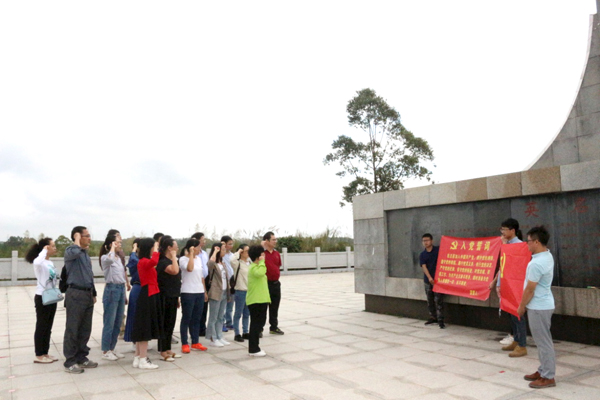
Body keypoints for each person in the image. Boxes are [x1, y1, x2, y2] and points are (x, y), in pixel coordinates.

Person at [518, 226, 556, 389]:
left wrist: (521, 306)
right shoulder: (547, 255)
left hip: (539, 307)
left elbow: (530, 289)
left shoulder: (537, 263)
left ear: (537, 242)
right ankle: (543, 370)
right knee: (542, 342)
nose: (526, 244)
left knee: (543, 343)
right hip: (543, 305)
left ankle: (548, 376)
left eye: (528, 241)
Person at [63, 226, 98, 374]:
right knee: (73, 328)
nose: (89, 238)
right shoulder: (71, 251)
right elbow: (75, 252)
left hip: (87, 294)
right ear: (77, 236)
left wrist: (93, 293)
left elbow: (89, 274)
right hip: (75, 293)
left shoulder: (85, 254)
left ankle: (81, 357)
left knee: (85, 328)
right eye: (86, 235)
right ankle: (70, 361)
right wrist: (76, 239)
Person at [491, 218, 527, 357]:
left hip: (516, 286)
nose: (502, 232)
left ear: (513, 230)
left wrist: (505, 247)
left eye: (504, 229)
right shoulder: (506, 244)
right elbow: (503, 266)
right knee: (511, 314)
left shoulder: (520, 246)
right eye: (502, 229)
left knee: (518, 315)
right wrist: (498, 284)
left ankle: (522, 345)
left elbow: (516, 268)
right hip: (506, 284)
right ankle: (516, 340)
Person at [26, 237, 59, 363]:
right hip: (42, 296)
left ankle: (45, 352)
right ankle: (39, 354)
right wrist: (44, 251)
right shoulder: (39, 261)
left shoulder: (49, 262)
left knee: (48, 326)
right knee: (42, 325)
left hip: (52, 295)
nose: (55, 248)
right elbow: (37, 263)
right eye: (52, 246)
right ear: (46, 247)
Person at [131, 238, 160, 369]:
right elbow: (154, 261)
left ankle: (138, 357)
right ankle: (143, 359)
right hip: (147, 293)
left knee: (142, 326)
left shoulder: (144, 261)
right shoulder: (144, 261)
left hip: (150, 293)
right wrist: (156, 249)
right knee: (144, 327)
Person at [99, 234, 127, 361]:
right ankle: (105, 350)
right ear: (111, 244)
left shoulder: (118, 258)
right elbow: (109, 260)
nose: (119, 244)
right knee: (109, 322)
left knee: (117, 321)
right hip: (112, 289)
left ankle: (112, 347)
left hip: (120, 288)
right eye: (117, 243)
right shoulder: (106, 257)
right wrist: (111, 249)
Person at [179, 239, 208, 353]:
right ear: (192, 247)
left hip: (199, 291)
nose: (199, 249)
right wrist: (191, 254)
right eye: (198, 247)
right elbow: (190, 269)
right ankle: (184, 343)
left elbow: (201, 277)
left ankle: (195, 341)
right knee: (187, 318)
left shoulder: (199, 259)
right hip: (188, 292)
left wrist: (204, 291)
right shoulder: (183, 259)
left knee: (197, 318)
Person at [156, 236, 182, 361]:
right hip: (164, 296)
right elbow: (174, 271)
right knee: (164, 323)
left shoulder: (171, 261)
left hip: (173, 295)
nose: (177, 248)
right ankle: (162, 350)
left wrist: (177, 297)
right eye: (175, 246)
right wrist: (174, 257)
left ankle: (168, 348)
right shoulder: (163, 262)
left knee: (171, 323)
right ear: (169, 248)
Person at [246, 245, 271, 356]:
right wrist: (262, 262)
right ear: (258, 256)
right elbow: (260, 273)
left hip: (262, 299)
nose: (264, 255)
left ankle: (255, 347)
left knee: (260, 324)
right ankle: (253, 349)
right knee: (256, 325)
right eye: (262, 254)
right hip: (255, 300)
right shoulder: (253, 267)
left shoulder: (258, 266)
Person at [206, 242, 231, 347]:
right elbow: (210, 264)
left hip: (224, 291)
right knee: (213, 317)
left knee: (220, 316)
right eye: (223, 250)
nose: (224, 252)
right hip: (216, 292)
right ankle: (213, 338)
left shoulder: (222, 263)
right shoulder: (214, 263)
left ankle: (219, 336)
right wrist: (215, 251)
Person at [124, 239, 147, 348]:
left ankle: (141, 340)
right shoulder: (135, 260)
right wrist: (134, 249)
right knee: (135, 315)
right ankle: (134, 339)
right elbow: (134, 260)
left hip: (145, 288)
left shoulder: (144, 259)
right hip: (137, 287)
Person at [420, 233, 444, 329]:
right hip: (428, 281)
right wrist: (430, 278)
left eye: (427, 240)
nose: (425, 242)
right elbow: (424, 267)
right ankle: (433, 317)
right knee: (430, 300)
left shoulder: (438, 250)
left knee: (438, 300)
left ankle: (440, 319)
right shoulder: (422, 254)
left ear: (431, 241)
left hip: (438, 281)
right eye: (424, 241)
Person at [262, 232, 284, 335]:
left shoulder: (276, 253)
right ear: (266, 241)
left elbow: (278, 266)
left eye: (275, 239)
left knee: (275, 307)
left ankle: (274, 327)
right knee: (263, 307)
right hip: (265, 284)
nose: (275, 241)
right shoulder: (262, 254)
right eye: (273, 240)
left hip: (276, 284)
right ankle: (260, 329)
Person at [231, 244, 250, 342]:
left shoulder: (250, 262)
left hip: (249, 291)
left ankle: (245, 332)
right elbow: (231, 260)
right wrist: (238, 252)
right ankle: (237, 333)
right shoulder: (237, 263)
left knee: (247, 313)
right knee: (238, 313)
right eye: (246, 251)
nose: (248, 253)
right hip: (240, 291)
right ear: (241, 252)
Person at [192, 232, 210, 337]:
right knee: (196, 308)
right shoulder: (190, 255)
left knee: (204, 306)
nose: (204, 241)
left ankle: (202, 328)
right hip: (195, 281)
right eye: (203, 239)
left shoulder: (204, 253)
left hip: (205, 280)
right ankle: (195, 329)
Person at [221, 235, 235, 331]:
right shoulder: (221, 255)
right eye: (229, 244)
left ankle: (229, 322)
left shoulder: (233, 255)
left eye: (232, 244)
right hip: (223, 282)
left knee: (230, 304)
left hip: (232, 282)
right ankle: (221, 323)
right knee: (223, 305)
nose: (231, 246)